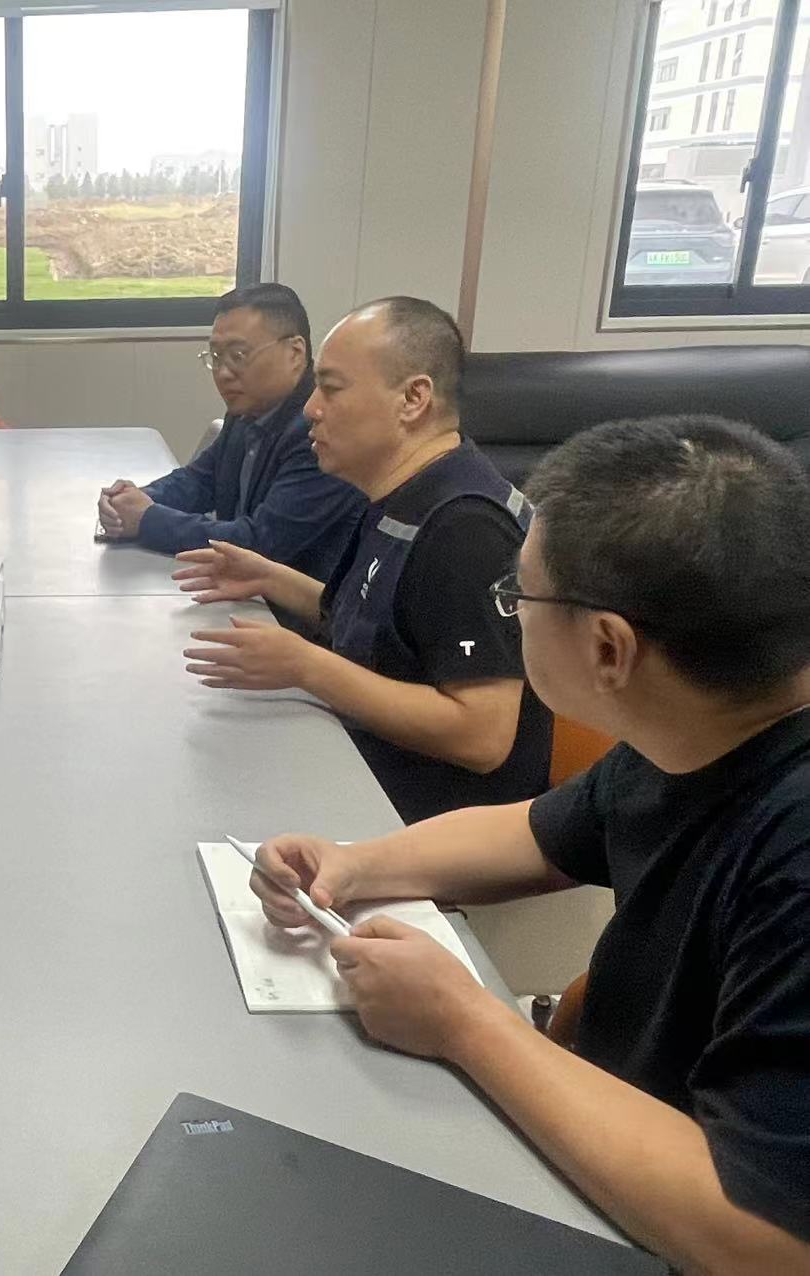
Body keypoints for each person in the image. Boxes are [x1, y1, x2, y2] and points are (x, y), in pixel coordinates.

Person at [246, 416, 810, 1272]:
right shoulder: (701, 724)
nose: (509, 614)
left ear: (609, 648)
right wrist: (353, 864)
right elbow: (537, 834)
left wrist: (466, 1020)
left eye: (520, 599)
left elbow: (768, 1238)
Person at [177, 297, 550, 822]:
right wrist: (270, 577)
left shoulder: (465, 528)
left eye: (331, 388)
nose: (310, 409)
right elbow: (378, 627)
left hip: (425, 818)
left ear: (413, 398)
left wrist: (305, 666)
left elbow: (482, 736)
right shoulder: (403, 494)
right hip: (366, 771)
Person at [96, 283, 364, 579]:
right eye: (216, 356)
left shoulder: (321, 432)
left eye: (238, 355)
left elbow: (259, 544)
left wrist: (147, 519)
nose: (223, 373)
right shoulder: (250, 410)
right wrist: (133, 499)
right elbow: (199, 481)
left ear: (294, 352)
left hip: (288, 603)